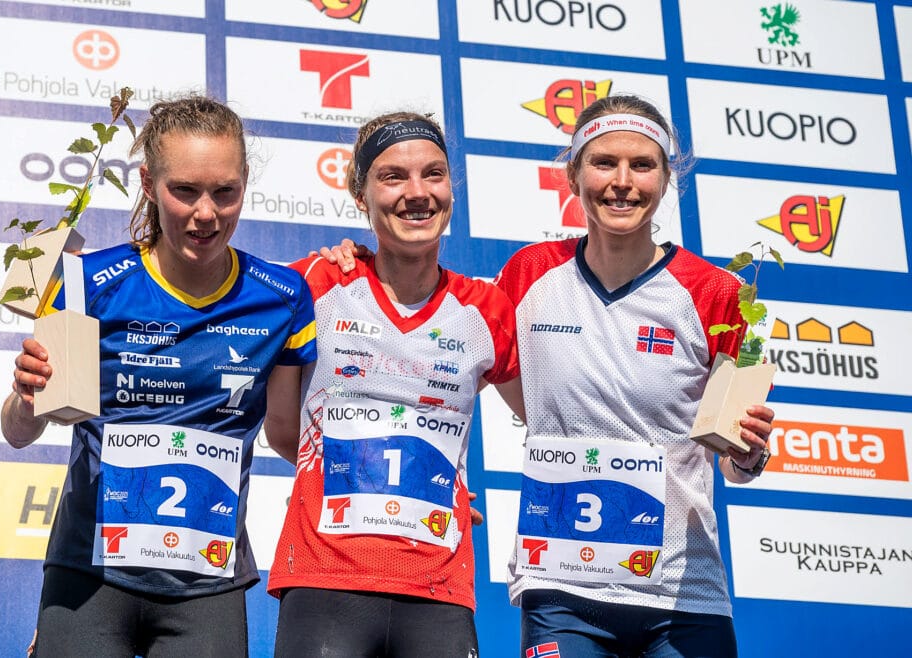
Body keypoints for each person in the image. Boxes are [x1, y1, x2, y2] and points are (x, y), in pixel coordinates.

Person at [1, 95, 316, 657]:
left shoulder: (282, 298)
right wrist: (26, 399)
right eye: (185, 190)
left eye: (225, 192)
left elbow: (293, 435)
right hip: (89, 578)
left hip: (208, 585)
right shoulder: (89, 284)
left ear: (245, 185)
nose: (206, 213)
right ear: (148, 183)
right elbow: (18, 431)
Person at [493, 94, 775, 657]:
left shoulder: (719, 294)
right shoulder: (529, 274)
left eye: (642, 165)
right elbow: (446, 345)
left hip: (682, 595)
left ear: (666, 179)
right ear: (573, 174)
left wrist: (747, 456)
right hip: (562, 588)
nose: (622, 182)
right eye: (604, 163)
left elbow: (734, 459)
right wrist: (353, 262)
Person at [263, 111, 525, 657]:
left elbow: (556, 421)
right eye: (393, 177)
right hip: (324, 579)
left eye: (433, 174)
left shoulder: (486, 309)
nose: (417, 193)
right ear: (360, 195)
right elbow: (284, 430)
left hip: (438, 587)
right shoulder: (315, 283)